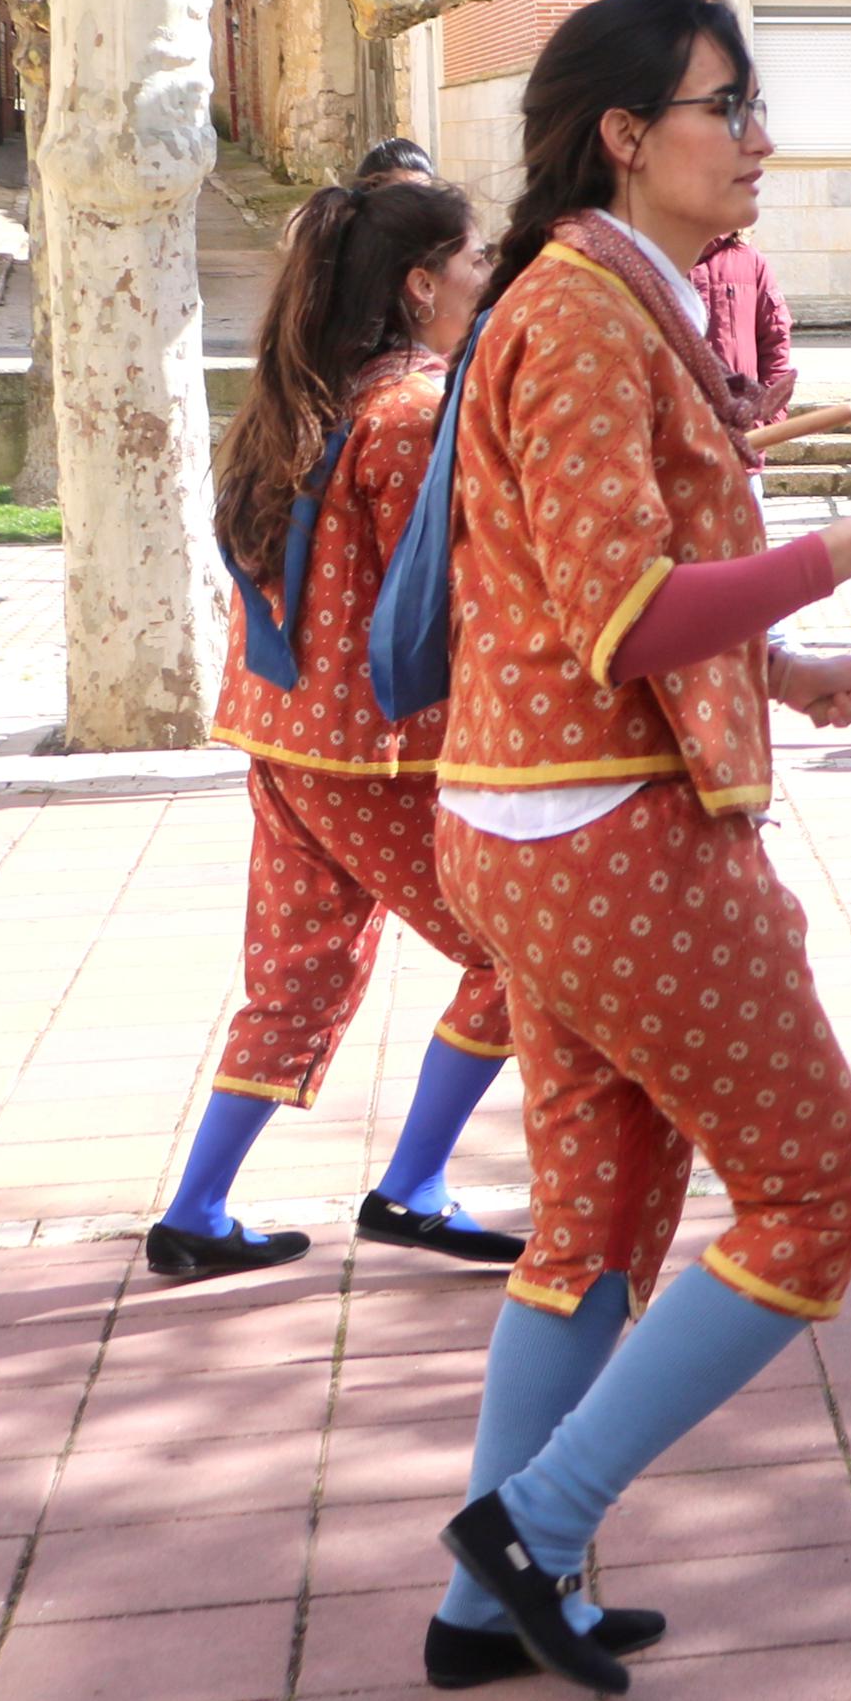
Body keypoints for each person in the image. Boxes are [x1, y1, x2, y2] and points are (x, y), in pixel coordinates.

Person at [423, 0, 851, 1695]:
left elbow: (620, 590)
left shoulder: (611, 303)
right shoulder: (576, 316)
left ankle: (482, 1610)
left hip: (545, 824)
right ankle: (536, 1524)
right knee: (813, 1197)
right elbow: (621, 613)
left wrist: (788, 670)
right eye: (729, 108)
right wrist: (836, 560)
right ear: (623, 137)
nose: (761, 141)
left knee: (589, 1222)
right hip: (606, 836)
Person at [162, 170, 527, 1282]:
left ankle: (197, 1212)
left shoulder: (315, 396)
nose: (491, 277)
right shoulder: (411, 412)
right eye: (476, 261)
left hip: (283, 737)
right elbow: (453, 587)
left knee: (296, 978)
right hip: (375, 754)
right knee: (523, 955)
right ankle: (411, 1186)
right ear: (421, 285)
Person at [689, 226, 795, 439]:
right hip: (677, 441)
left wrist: (766, 417)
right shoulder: (659, 262)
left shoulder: (751, 262)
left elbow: (775, 339)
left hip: (740, 436)